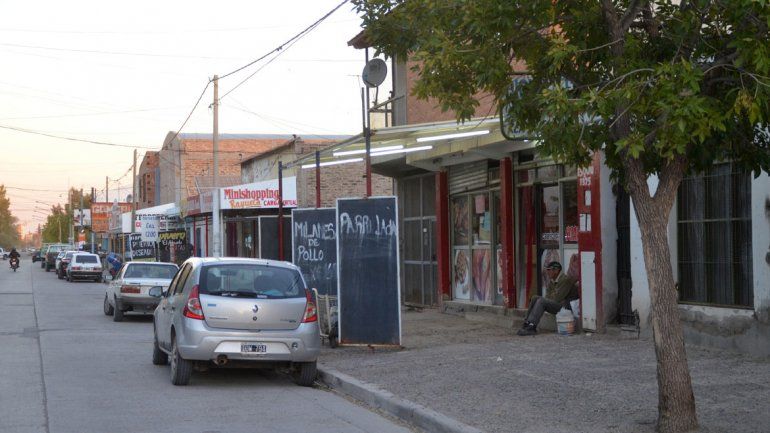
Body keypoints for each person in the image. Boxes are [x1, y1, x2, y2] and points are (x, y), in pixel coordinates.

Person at [517, 261, 579, 336]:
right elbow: (548, 297)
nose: (547, 272)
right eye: (547, 270)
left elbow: (557, 298)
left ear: (556, 271)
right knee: (535, 298)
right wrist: (553, 295)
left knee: (541, 301)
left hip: (566, 308)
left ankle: (532, 327)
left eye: (549, 270)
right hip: (559, 305)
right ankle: (527, 323)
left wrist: (553, 295)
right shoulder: (552, 281)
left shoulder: (565, 280)